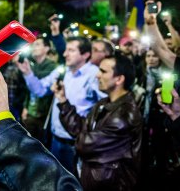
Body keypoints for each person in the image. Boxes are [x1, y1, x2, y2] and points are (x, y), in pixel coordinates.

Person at [0, 32, 81, 190]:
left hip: (46, 123)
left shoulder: (54, 68)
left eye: (72, 50)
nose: (66, 53)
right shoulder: (32, 64)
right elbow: (32, 91)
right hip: (30, 118)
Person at [53, 54, 143, 190]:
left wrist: (81, 137)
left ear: (119, 79)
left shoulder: (123, 117)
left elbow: (84, 146)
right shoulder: (104, 103)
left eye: (103, 71)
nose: (97, 76)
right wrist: (63, 101)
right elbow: (81, 128)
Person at [18, 36, 105, 174]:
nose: (65, 54)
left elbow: (106, 106)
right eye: (66, 50)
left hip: (77, 145)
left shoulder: (95, 75)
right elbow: (40, 90)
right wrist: (28, 73)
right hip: (55, 140)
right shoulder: (63, 71)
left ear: (85, 55)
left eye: (71, 50)